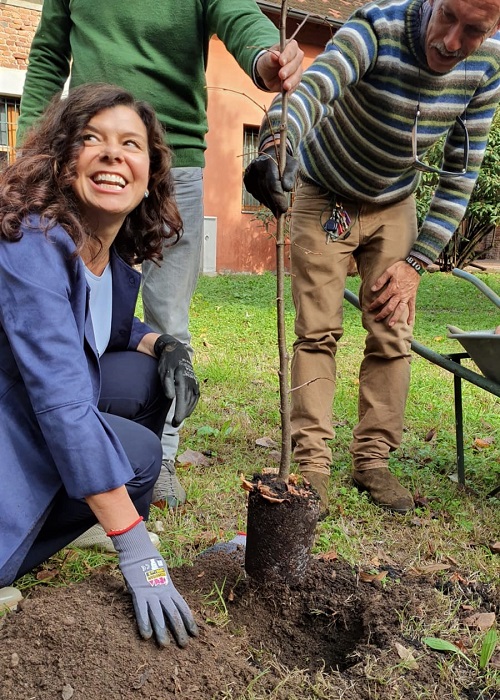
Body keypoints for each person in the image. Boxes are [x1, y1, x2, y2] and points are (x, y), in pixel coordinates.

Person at [16, 0, 305, 511]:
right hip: (87, 160)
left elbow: (236, 14)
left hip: (175, 160)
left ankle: (158, 459)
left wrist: (266, 58)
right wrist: (30, 154)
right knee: (73, 310)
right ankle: (69, 447)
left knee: (168, 320)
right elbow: (46, 56)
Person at [244, 0, 500, 515]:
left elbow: (460, 174)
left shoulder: (487, 67)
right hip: (324, 189)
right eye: (447, 17)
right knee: (317, 330)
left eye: (472, 30)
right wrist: (276, 145)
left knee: (392, 331)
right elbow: (314, 89)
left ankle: (373, 460)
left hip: (394, 201)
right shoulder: (377, 28)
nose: (450, 42)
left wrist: (417, 262)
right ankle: (312, 464)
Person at [0, 83, 200, 648]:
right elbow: (62, 397)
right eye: (93, 139)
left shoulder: (103, 256)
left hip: (31, 409)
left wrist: (164, 345)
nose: (114, 155)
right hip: (13, 417)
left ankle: (84, 513)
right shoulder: (32, 243)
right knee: (135, 456)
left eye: (131, 144)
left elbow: (110, 331)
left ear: (149, 172)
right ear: (63, 162)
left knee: (143, 376)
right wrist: (138, 549)